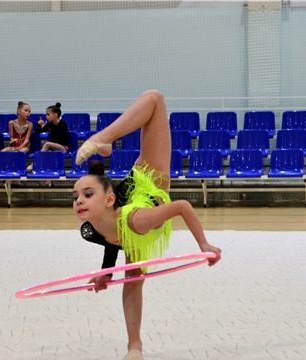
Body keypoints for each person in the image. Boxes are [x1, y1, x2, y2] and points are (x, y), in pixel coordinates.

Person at [72, 90, 222, 360]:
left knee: (155, 98)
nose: (79, 201)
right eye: (76, 196)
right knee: (133, 282)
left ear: (108, 199)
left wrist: (203, 244)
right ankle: (135, 348)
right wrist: (107, 273)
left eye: (87, 194)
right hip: (130, 211)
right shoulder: (89, 229)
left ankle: (104, 138)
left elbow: (182, 206)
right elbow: (111, 241)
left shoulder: (136, 220)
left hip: (149, 181)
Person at [26, 102, 70, 186]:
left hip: (63, 148)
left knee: (47, 144)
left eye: (48, 114)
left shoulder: (63, 124)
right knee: (46, 156)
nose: (46, 116)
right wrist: (39, 125)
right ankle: (48, 181)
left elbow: (58, 135)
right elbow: (39, 131)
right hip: (53, 148)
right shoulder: (50, 125)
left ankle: (32, 165)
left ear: (55, 115)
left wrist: (47, 127)